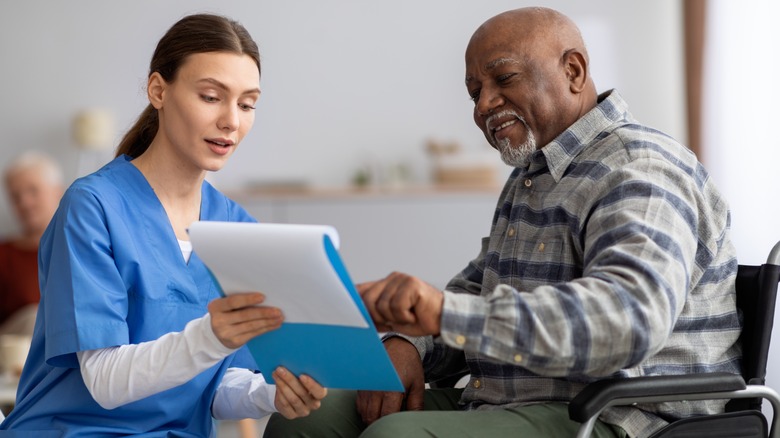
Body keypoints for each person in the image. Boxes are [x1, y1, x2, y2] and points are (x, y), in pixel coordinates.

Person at [264, 6, 740, 438]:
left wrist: (443, 313)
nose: (483, 106)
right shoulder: (532, 176)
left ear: (573, 70)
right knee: (307, 417)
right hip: (510, 402)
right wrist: (408, 343)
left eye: (503, 79)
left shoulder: (641, 168)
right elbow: (475, 292)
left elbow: (630, 319)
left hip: (619, 417)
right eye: (475, 92)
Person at [0, 13, 326, 436]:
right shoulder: (92, 207)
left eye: (247, 104)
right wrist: (212, 336)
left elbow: (217, 384)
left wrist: (271, 394)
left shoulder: (237, 228)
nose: (232, 120)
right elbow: (104, 380)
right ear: (158, 90)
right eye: (211, 96)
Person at [0, 152, 64, 338]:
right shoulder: (5, 255)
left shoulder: (83, 250)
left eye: (33, 191)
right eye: (16, 196)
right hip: (16, 354)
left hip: (78, 354)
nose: (25, 203)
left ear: (57, 191)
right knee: (34, 317)